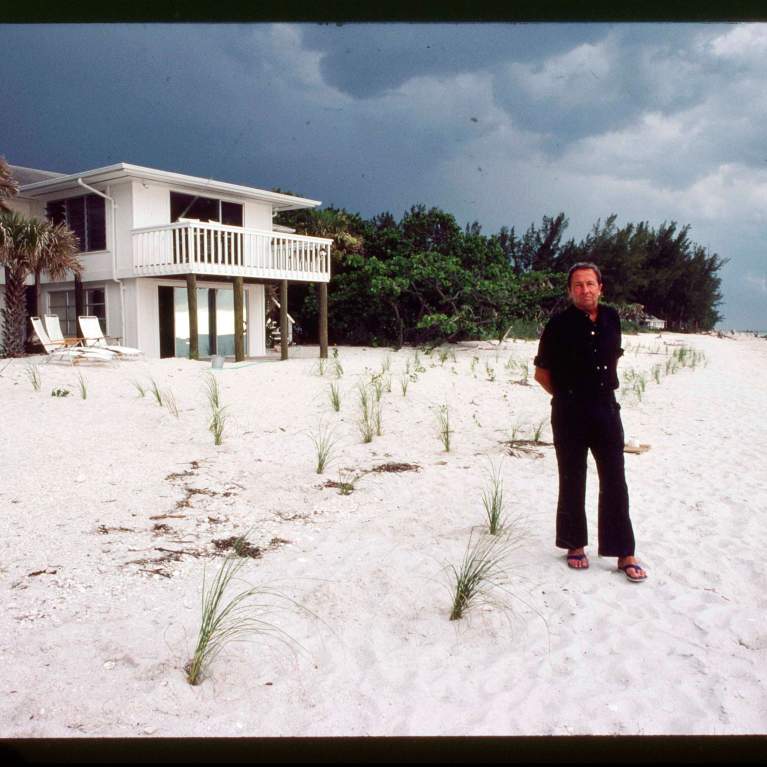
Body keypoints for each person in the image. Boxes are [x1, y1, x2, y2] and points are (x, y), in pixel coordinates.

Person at [533, 262, 647, 583]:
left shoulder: (612, 318)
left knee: (615, 480)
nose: (585, 290)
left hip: (607, 410)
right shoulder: (558, 325)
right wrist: (570, 397)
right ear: (570, 291)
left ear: (601, 287)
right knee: (572, 478)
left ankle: (625, 552)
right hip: (570, 412)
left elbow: (611, 360)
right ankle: (574, 545)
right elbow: (542, 374)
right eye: (578, 285)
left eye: (590, 284)